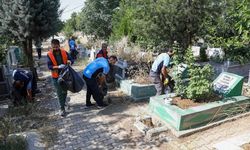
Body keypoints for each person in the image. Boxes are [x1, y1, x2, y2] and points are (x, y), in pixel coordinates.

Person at [47, 39, 73, 116]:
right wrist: (58, 67)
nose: (55, 48)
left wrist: (69, 61)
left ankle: (63, 104)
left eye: (57, 47)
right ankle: (62, 108)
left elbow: (71, 59)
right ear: (51, 46)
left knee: (64, 91)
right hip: (55, 77)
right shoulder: (49, 54)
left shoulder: (64, 52)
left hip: (65, 76)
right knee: (59, 93)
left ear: (59, 45)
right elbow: (49, 66)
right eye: (53, 47)